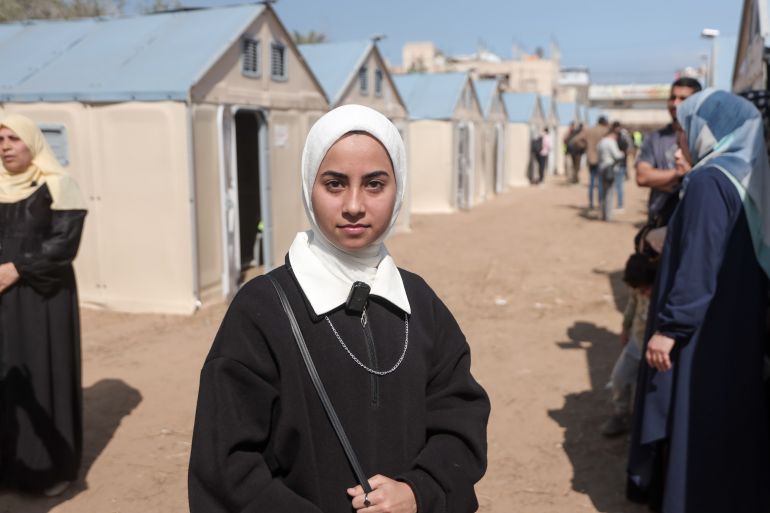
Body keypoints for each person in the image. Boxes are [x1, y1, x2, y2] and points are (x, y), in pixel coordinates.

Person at [188, 104, 490, 513]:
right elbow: (226, 466)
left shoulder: (419, 303)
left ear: (398, 189)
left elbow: (459, 419)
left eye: (374, 184)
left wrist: (419, 491)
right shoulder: (260, 310)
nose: (353, 205)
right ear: (308, 187)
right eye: (334, 184)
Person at [627, 90, 770, 513]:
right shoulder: (742, 174)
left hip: (702, 331)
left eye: (684, 130)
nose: (679, 143)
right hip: (732, 323)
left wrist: (671, 329)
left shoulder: (710, 181)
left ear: (709, 130)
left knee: (695, 419)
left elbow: (698, 264)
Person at [0, 114, 87, 496]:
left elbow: (64, 245)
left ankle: (49, 470)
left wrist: (18, 268)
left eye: (13, 138)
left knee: (41, 372)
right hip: (2, 297)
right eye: (0, 138)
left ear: (32, 142)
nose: (4, 146)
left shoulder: (58, 185)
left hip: (42, 298)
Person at [601, 253, 655, 437]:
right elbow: (632, 304)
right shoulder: (638, 288)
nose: (642, 293)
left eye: (645, 289)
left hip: (654, 352)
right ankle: (620, 415)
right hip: (636, 344)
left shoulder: (666, 293)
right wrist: (625, 327)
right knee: (619, 378)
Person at [635, 77, 701, 223]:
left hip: (692, 221)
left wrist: (662, 180)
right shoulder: (655, 138)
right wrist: (680, 175)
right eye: (672, 98)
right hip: (659, 219)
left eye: (683, 98)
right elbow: (642, 176)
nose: (675, 103)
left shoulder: (704, 138)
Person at [572, 116, 609, 209]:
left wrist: (584, 146)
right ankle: (600, 203)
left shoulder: (589, 130)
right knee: (600, 182)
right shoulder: (605, 131)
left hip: (591, 158)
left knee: (592, 182)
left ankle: (591, 203)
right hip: (602, 159)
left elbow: (575, 140)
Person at [596, 124, 623, 221]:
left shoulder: (601, 142)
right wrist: (622, 154)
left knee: (603, 192)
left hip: (602, 168)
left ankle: (603, 213)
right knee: (610, 193)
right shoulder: (611, 142)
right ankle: (608, 215)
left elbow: (598, 155)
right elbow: (617, 155)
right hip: (610, 169)